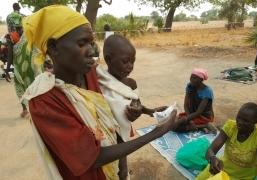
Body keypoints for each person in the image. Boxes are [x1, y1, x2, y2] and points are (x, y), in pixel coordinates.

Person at [22, 5, 182, 180]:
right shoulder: (44, 101)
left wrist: (144, 111)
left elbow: (111, 114)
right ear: (53, 47)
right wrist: (157, 132)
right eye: (82, 43)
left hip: (113, 169)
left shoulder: (90, 73)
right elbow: (91, 157)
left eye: (91, 42)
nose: (92, 51)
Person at [97, 34, 168, 178]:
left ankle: (124, 173)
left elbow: (137, 103)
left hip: (122, 131)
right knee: (108, 167)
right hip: (107, 132)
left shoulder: (131, 83)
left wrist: (150, 111)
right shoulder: (99, 83)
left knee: (122, 162)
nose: (130, 66)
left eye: (133, 62)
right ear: (109, 59)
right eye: (125, 61)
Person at [196, 102, 257, 180]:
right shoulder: (231, 126)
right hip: (220, 168)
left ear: (255, 121)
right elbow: (210, 150)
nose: (240, 122)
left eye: (246, 121)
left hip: (241, 178)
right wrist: (212, 159)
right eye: (239, 117)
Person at [175, 68, 217, 134]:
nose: (192, 80)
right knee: (176, 121)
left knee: (177, 127)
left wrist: (188, 119)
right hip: (192, 114)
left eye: (195, 78)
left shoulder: (207, 91)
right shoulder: (190, 86)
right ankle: (201, 127)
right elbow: (186, 105)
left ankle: (205, 125)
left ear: (201, 80)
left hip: (203, 117)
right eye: (191, 77)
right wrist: (190, 120)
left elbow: (199, 112)